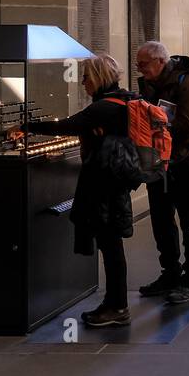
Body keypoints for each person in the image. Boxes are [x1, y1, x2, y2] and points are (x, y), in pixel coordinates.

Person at [20, 55, 135, 329]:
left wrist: (25, 127)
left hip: (105, 186)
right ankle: (114, 303)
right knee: (111, 244)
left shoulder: (104, 108)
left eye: (86, 77)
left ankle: (117, 306)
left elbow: (64, 126)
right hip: (115, 182)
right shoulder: (125, 98)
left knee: (110, 244)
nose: (83, 82)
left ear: (98, 78)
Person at [135, 40, 189, 304]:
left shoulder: (184, 84)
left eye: (143, 64)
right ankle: (170, 275)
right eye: (137, 64)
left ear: (160, 61)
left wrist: (158, 133)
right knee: (161, 221)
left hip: (181, 162)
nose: (140, 69)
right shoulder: (150, 84)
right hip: (157, 163)